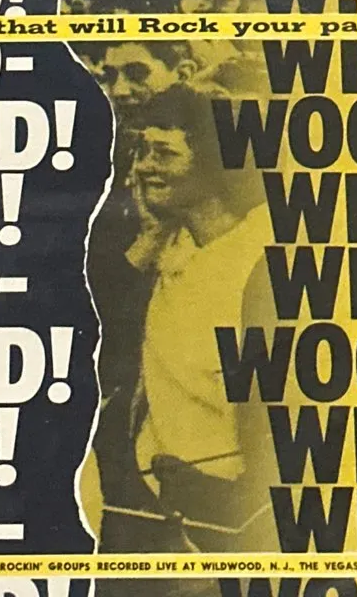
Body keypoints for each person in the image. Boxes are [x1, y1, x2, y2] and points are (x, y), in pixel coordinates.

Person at [89, 87, 276, 575]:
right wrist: (149, 238)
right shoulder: (165, 245)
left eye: (164, 153)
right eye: (141, 150)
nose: (144, 167)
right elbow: (95, 331)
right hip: (151, 501)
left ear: (214, 164)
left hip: (233, 513)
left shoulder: (263, 258)